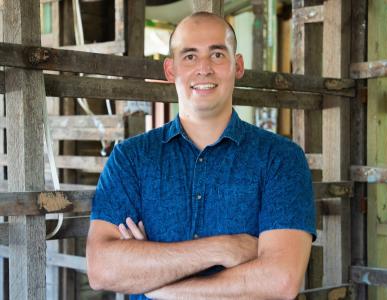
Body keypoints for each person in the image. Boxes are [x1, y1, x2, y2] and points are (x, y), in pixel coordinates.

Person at [86, 11, 316, 300]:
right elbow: (102, 269)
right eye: (190, 56)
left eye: (217, 55)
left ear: (238, 65)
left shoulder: (281, 159)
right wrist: (224, 248)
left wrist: (158, 284)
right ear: (171, 70)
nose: (204, 68)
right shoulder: (130, 158)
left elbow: (280, 280)